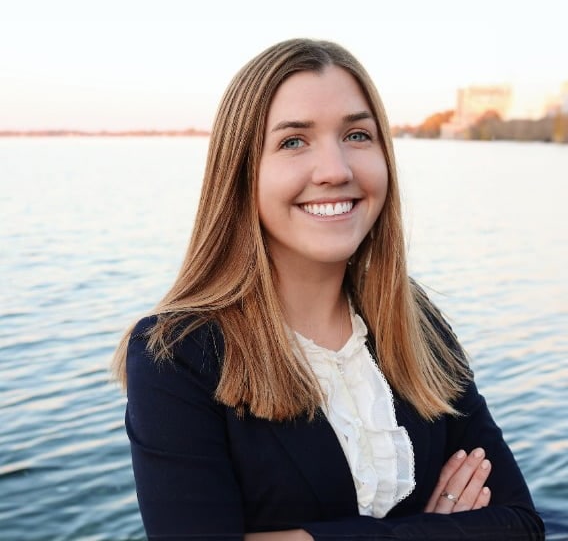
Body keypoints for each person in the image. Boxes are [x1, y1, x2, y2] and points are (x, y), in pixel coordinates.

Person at [112, 38, 544, 540]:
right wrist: (436, 530)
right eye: (294, 141)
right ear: (240, 172)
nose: (336, 170)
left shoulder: (413, 318)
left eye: (357, 135)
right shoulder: (176, 353)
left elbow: (520, 525)